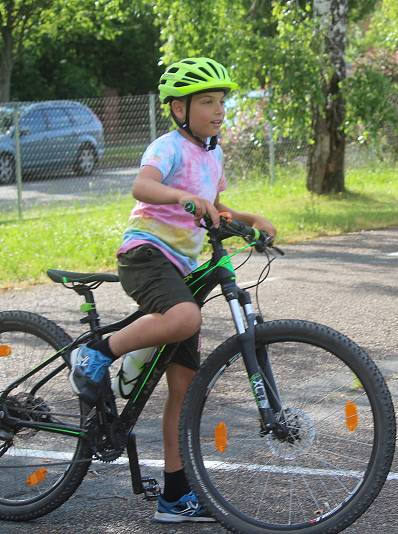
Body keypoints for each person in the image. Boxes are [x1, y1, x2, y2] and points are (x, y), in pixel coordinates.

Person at [68, 57, 276, 523]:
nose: (218, 110)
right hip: (145, 255)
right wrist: (180, 197)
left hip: (180, 270)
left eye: (221, 101)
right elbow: (143, 187)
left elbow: (215, 207)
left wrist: (248, 220)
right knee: (186, 317)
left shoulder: (213, 154)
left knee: (184, 389)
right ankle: (95, 353)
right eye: (207, 101)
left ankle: (175, 496)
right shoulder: (168, 147)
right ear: (179, 108)